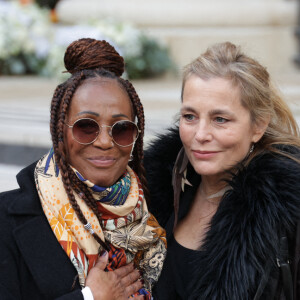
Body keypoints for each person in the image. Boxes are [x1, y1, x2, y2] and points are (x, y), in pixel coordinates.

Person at [0, 38, 166, 300]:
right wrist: (90, 297)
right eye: (86, 127)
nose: (104, 142)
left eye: (121, 129)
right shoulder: (6, 221)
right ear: (60, 133)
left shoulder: (156, 214)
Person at [144, 41, 300, 299]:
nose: (200, 135)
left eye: (220, 119)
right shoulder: (150, 189)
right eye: (190, 116)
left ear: (258, 127)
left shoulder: (287, 208)